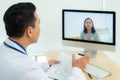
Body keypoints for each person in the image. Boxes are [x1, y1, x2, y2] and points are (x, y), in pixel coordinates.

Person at [0, 2, 90, 80]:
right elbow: (27, 71)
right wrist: (78, 68)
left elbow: (24, 72)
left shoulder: (4, 49)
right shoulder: (27, 68)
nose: (40, 27)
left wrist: (46, 65)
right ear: (30, 31)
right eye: (39, 23)